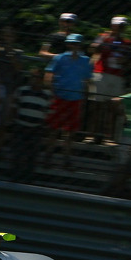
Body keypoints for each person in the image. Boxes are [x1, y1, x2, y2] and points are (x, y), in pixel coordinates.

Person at [43, 33, 93, 169]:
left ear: (80, 45)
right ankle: (48, 157)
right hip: (59, 97)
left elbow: (87, 80)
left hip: (75, 99)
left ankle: (66, 159)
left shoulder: (85, 61)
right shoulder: (59, 58)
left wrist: (85, 97)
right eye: (71, 43)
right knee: (53, 129)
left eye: (76, 43)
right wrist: (52, 93)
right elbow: (49, 75)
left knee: (70, 132)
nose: (73, 46)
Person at [88, 16, 131, 142]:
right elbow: (93, 49)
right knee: (96, 106)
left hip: (117, 76)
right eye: (118, 25)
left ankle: (107, 136)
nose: (120, 28)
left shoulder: (127, 43)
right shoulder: (103, 36)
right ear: (112, 25)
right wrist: (104, 39)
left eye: (122, 26)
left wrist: (125, 61)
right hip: (101, 73)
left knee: (112, 107)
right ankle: (92, 134)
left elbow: (130, 61)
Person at [10, 67, 50, 181]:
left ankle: (28, 178)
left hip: (36, 129)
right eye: (33, 77)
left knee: (32, 155)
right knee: (18, 153)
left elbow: (48, 112)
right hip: (21, 126)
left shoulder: (47, 94)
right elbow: (14, 106)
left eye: (37, 77)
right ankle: (15, 176)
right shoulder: (22, 90)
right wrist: (13, 120)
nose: (34, 79)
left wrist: (44, 126)